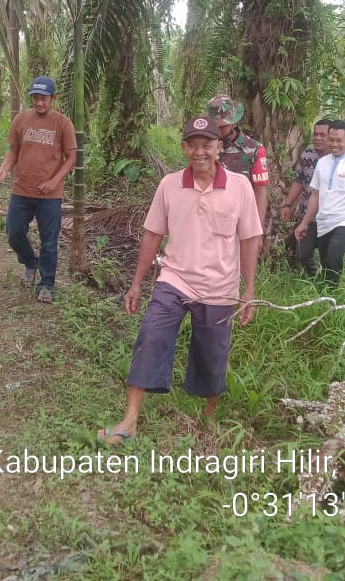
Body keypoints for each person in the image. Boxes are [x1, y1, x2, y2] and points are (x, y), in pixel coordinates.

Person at [97, 116, 263, 445]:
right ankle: (130, 420)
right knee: (151, 334)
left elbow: (249, 239)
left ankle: (209, 418)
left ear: (219, 147)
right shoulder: (170, 185)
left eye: (207, 145)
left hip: (220, 287)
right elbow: (152, 234)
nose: (200, 151)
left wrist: (249, 289)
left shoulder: (240, 187)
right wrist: (136, 283)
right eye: (193, 145)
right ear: (184, 147)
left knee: (212, 353)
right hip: (174, 279)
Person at [0, 76, 77, 303]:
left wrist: (54, 181)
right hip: (21, 189)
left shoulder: (62, 123)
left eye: (44, 98)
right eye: (36, 98)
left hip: (50, 194)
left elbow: (72, 157)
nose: (39, 103)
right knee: (14, 231)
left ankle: (46, 284)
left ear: (52, 98)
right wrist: (3, 169)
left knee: (49, 241)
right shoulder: (21, 120)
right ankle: (30, 262)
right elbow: (13, 151)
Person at [294, 120, 345, 286]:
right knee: (324, 261)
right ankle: (322, 289)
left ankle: (331, 296)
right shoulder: (322, 163)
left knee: (334, 255)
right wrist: (304, 223)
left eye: (339, 140)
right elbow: (315, 195)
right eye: (331, 140)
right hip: (323, 221)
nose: (334, 144)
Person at [204, 94, 269, 229]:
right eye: (214, 126)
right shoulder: (203, 147)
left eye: (222, 127)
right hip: (207, 220)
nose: (217, 131)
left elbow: (260, 192)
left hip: (239, 221)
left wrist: (256, 230)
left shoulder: (254, 149)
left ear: (234, 122)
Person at [279, 117, 333, 273]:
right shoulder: (308, 155)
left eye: (323, 135)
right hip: (307, 216)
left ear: (332, 136)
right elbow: (299, 181)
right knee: (303, 253)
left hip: (329, 216)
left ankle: (328, 286)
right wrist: (288, 204)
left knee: (329, 255)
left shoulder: (338, 160)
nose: (317, 138)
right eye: (315, 134)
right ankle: (314, 276)